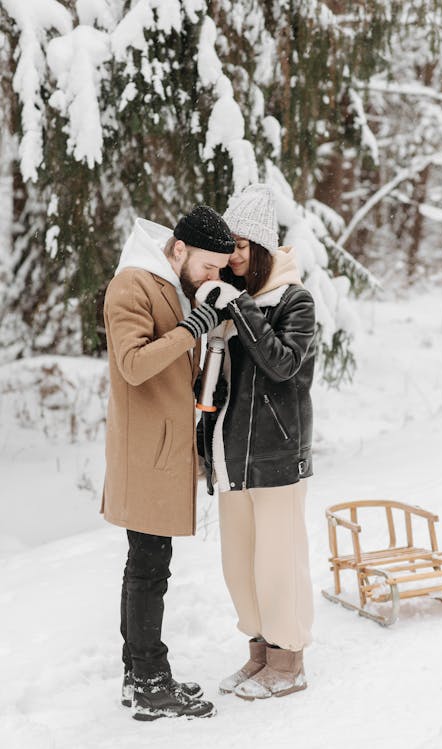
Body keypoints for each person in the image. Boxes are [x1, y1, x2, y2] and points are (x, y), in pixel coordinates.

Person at [101, 206, 235, 720]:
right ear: (178, 250)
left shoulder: (169, 281)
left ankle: (139, 680)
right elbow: (133, 365)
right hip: (145, 453)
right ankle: (151, 683)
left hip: (162, 447)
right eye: (208, 266)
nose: (212, 278)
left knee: (147, 568)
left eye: (219, 270)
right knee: (148, 570)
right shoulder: (131, 285)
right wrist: (190, 328)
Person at [195, 184, 316, 700]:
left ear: (264, 248)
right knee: (239, 566)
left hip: (277, 457)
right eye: (231, 246)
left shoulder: (295, 301)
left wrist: (241, 307)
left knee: (278, 564)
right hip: (231, 457)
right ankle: (261, 654)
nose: (235, 256)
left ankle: (289, 663)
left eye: (244, 246)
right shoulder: (230, 303)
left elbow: (282, 364)